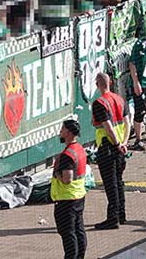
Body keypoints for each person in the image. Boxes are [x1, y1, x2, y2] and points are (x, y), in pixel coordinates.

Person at [91, 72, 129, 230]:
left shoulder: (99, 103)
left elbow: (108, 126)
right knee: (119, 182)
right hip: (121, 148)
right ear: (111, 82)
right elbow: (128, 122)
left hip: (108, 147)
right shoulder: (120, 99)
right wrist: (125, 143)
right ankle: (122, 214)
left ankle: (112, 218)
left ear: (96, 84)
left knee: (110, 184)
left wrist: (117, 144)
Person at [52, 119, 88, 259]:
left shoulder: (67, 155)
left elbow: (67, 179)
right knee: (79, 230)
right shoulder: (79, 149)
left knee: (68, 233)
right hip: (79, 196)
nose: (60, 132)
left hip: (66, 199)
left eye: (62, 129)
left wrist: (56, 174)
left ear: (67, 132)